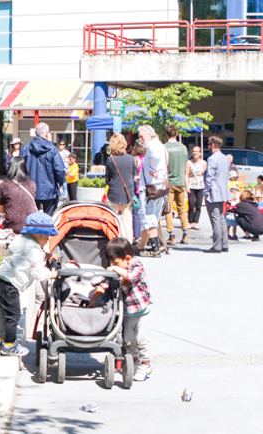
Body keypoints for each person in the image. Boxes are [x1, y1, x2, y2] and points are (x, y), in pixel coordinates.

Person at [0, 212, 59, 356]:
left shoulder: (21, 240)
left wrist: (45, 255)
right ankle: (9, 345)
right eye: (47, 236)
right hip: (10, 286)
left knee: (3, 313)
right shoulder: (35, 252)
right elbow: (38, 273)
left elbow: (25, 253)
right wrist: (51, 274)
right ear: (37, 234)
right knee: (13, 316)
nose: (48, 239)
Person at [89, 238, 153, 382]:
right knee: (129, 342)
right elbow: (105, 283)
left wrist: (116, 269)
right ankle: (133, 363)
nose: (113, 266)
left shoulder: (137, 266)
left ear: (128, 259)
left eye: (116, 263)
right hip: (128, 313)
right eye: (112, 263)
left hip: (142, 311)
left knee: (142, 340)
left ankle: (146, 364)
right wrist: (95, 297)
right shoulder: (118, 268)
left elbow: (131, 277)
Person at [137, 126, 168, 254]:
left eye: (142, 136)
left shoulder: (152, 146)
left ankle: (155, 244)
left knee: (148, 216)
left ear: (149, 134)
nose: (140, 139)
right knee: (153, 216)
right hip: (160, 186)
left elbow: (155, 157)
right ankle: (142, 245)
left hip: (150, 188)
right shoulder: (161, 146)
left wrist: (152, 168)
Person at [23, 123, 65, 216]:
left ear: (35, 133)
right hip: (50, 189)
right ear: (47, 133)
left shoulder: (25, 149)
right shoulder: (52, 150)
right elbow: (60, 170)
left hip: (30, 189)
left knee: (31, 219)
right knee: (49, 220)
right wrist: (59, 183)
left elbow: (19, 169)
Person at [104, 133, 138, 243]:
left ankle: (112, 241)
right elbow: (134, 176)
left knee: (112, 219)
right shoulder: (132, 159)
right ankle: (128, 243)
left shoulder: (110, 160)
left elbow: (107, 179)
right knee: (127, 221)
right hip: (127, 193)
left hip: (113, 193)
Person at [203, 135, 232, 254]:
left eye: (209, 145)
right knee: (221, 218)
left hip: (213, 192)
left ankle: (217, 245)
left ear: (213, 145)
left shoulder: (211, 159)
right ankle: (224, 244)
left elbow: (209, 177)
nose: (208, 147)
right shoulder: (225, 158)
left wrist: (205, 191)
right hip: (223, 191)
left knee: (215, 219)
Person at [163, 125, 190, 245]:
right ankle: (185, 233)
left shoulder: (164, 148)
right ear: (177, 133)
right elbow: (185, 165)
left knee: (168, 209)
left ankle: (171, 235)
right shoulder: (183, 148)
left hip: (169, 182)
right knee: (182, 209)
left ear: (166, 134)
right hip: (180, 182)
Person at [0, 157, 37, 235]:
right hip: (31, 225)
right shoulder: (32, 184)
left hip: (12, 226)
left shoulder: (5, 185)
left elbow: (0, 209)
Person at [186, 145, 207, 230]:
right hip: (191, 185)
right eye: (194, 151)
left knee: (198, 205)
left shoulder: (204, 163)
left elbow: (205, 175)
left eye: (197, 151)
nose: (195, 153)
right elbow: (186, 175)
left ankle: (196, 223)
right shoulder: (189, 162)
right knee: (191, 204)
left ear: (200, 153)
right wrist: (186, 186)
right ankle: (190, 222)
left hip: (201, 185)